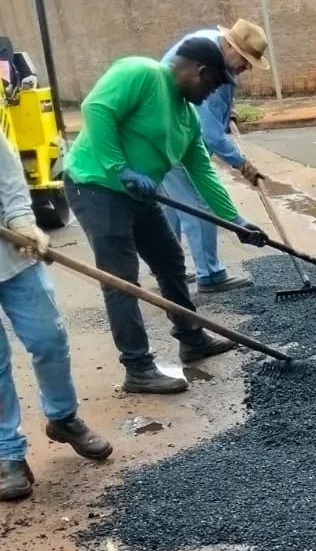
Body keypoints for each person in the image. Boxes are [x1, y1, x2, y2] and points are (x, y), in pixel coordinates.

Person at [64, 38, 268, 395]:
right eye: (213, 85)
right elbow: (96, 108)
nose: (211, 95)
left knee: (170, 259)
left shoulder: (187, 118)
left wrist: (236, 221)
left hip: (141, 194)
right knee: (121, 279)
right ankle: (138, 367)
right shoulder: (141, 73)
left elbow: (203, 173)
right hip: (96, 186)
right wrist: (120, 167)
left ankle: (191, 337)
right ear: (198, 72)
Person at [0, 131, 112, 501]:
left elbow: (8, 170)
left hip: (12, 256)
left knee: (48, 337)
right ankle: (8, 454)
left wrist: (20, 220)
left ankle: (63, 418)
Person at [159, 20, 269, 293]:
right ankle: (210, 274)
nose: (245, 68)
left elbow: (217, 101)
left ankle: (167, 270)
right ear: (230, 46)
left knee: (173, 205)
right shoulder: (206, 64)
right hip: (173, 139)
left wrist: (226, 112)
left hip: (168, 135)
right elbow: (211, 134)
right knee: (198, 204)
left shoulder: (211, 44)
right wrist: (242, 165)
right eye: (244, 60)